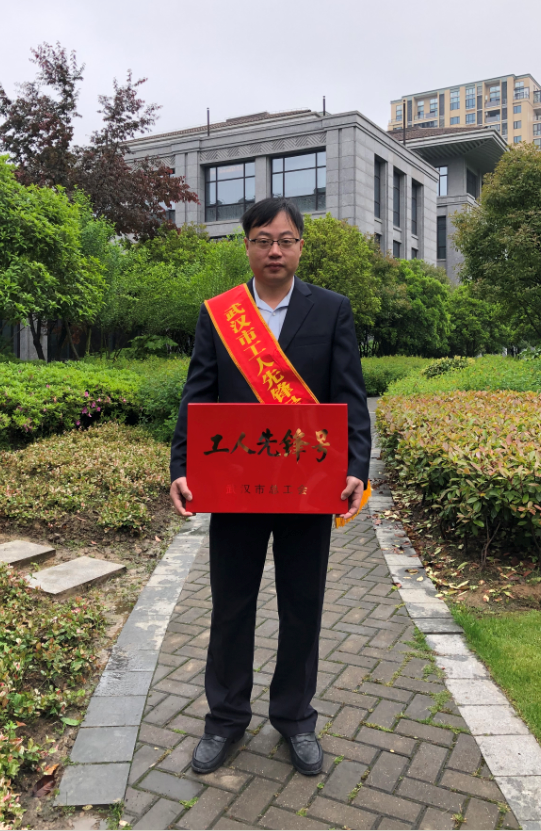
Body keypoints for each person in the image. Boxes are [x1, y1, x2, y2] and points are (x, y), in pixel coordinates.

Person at [169, 196, 371, 776]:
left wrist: (356, 466)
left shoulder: (331, 309)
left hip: (309, 487)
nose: (274, 251)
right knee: (231, 605)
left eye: (285, 240)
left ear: (301, 246)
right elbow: (198, 393)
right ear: (247, 246)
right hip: (237, 487)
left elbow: (350, 395)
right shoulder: (221, 314)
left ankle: (294, 719)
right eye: (263, 240)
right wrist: (181, 466)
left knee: (302, 606)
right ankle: (225, 720)